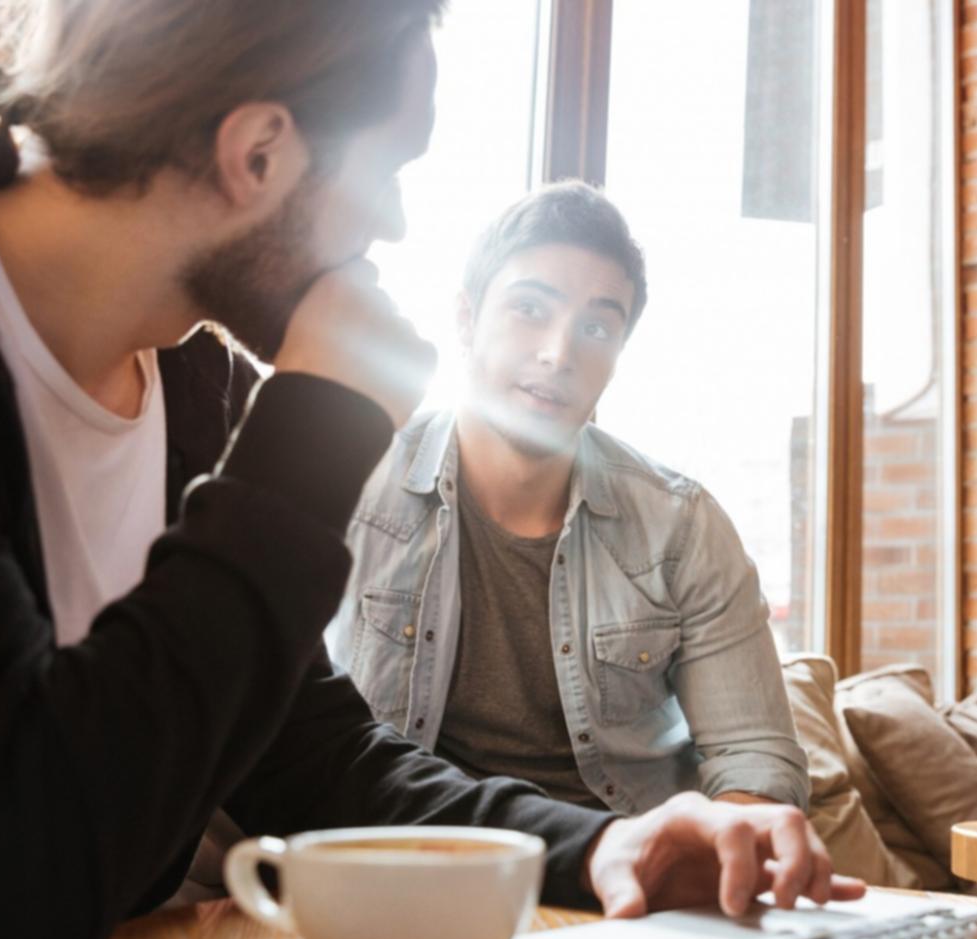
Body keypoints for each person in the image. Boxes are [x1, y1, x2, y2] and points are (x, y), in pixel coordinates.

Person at [0, 1, 858, 939]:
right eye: (391, 168)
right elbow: (25, 870)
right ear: (258, 153)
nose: (397, 222)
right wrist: (313, 429)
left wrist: (602, 845)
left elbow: (313, 753)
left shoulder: (188, 379)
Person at [331, 181, 810, 815]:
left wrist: (725, 849)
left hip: (622, 872)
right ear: (468, 319)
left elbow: (756, 754)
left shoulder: (680, 526)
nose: (559, 353)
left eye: (596, 327)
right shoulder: (354, 486)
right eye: (530, 309)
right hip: (408, 863)